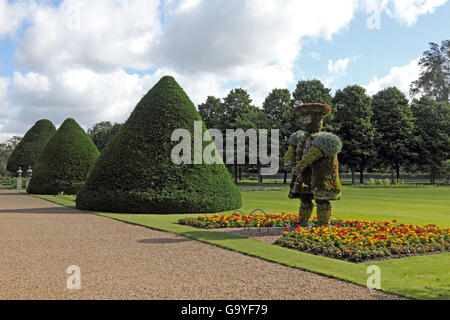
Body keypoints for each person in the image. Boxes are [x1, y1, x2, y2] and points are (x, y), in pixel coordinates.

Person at [284, 102, 342, 226]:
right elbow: (291, 151)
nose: (304, 120)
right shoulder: (299, 137)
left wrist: (299, 166)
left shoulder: (326, 139)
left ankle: (323, 224)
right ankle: (303, 221)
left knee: (322, 200)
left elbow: (312, 155)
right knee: (305, 199)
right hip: (304, 177)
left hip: (321, 177)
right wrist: (288, 161)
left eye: (308, 116)